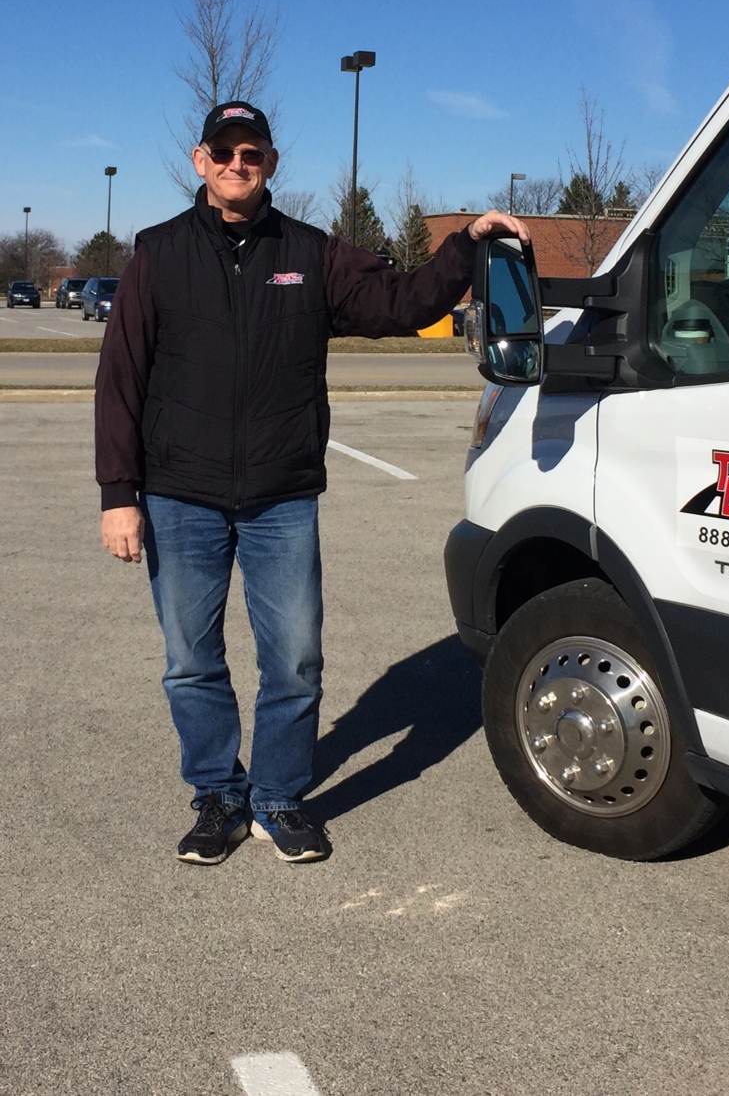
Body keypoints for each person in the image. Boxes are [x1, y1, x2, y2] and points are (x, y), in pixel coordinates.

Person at [96, 101, 529, 865]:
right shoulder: (158, 254)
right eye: (224, 152)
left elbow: (401, 304)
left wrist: (465, 246)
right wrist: (119, 494)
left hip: (281, 496)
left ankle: (278, 797)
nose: (238, 164)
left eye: (252, 153)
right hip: (178, 494)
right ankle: (217, 793)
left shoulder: (309, 252)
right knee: (190, 661)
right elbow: (121, 377)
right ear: (200, 161)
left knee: (294, 659)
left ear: (270, 162)